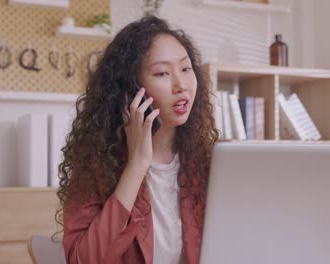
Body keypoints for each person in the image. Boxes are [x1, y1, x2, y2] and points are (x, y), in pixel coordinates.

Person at [55, 15, 219, 264]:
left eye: (186, 69)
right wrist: (137, 165)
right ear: (131, 89)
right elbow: (83, 260)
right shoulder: (96, 162)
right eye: (162, 73)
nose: (181, 85)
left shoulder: (205, 160)